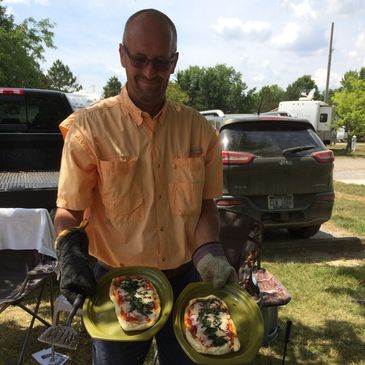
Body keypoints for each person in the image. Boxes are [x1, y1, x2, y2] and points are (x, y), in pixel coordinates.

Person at [54, 8, 237, 365]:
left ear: (175, 61)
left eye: (161, 62)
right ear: (122, 55)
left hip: (185, 280)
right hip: (114, 283)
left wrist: (209, 254)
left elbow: (204, 206)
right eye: (139, 59)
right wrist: (70, 255)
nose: (150, 73)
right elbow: (68, 211)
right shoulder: (89, 129)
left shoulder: (200, 131)